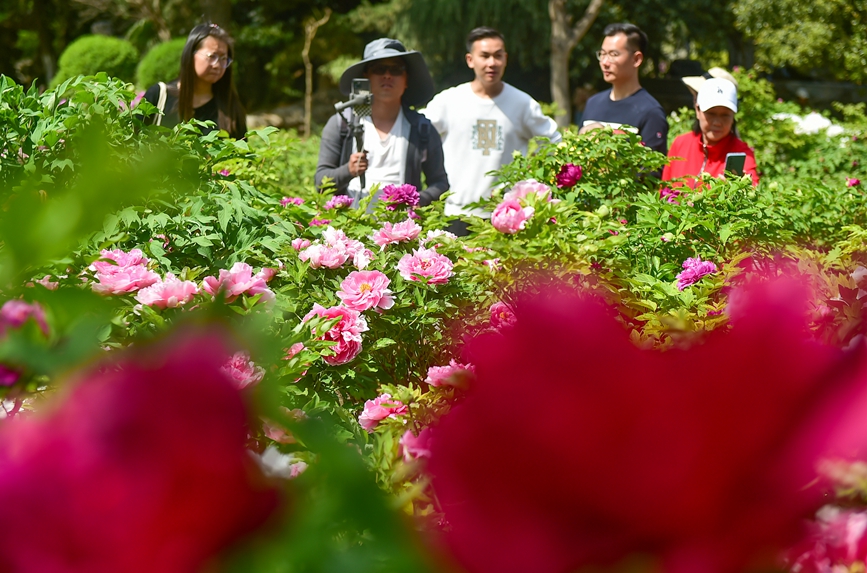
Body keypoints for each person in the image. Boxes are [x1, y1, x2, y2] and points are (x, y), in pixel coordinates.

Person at [421, 27, 561, 227]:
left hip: (507, 216)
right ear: (470, 60)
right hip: (455, 213)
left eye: (498, 56)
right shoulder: (449, 101)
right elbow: (417, 134)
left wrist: (533, 176)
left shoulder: (522, 104)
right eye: (484, 56)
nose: (491, 63)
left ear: (505, 59)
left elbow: (553, 140)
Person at [314, 38, 448, 208]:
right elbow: (320, 182)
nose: (387, 75)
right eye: (379, 69)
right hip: (350, 228)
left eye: (396, 69)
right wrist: (348, 171)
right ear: (366, 77)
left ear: (407, 79)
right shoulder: (343, 124)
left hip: (402, 231)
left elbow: (440, 183)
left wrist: (417, 200)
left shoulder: (422, 129)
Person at [142, 24, 247, 140]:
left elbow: (242, 155)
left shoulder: (230, 107)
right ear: (191, 54)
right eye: (212, 56)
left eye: (223, 59)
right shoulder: (159, 96)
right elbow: (129, 144)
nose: (217, 65)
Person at [580, 23, 668, 154]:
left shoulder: (651, 113)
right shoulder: (593, 103)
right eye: (602, 54)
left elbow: (652, 171)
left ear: (636, 59)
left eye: (613, 54)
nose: (605, 62)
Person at [662, 77, 759, 187]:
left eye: (725, 115)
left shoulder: (743, 154)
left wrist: (736, 191)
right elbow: (664, 193)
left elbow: (753, 192)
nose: (717, 122)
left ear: (733, 116)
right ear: (698, 110)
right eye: (711, 113)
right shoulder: (680, 144)